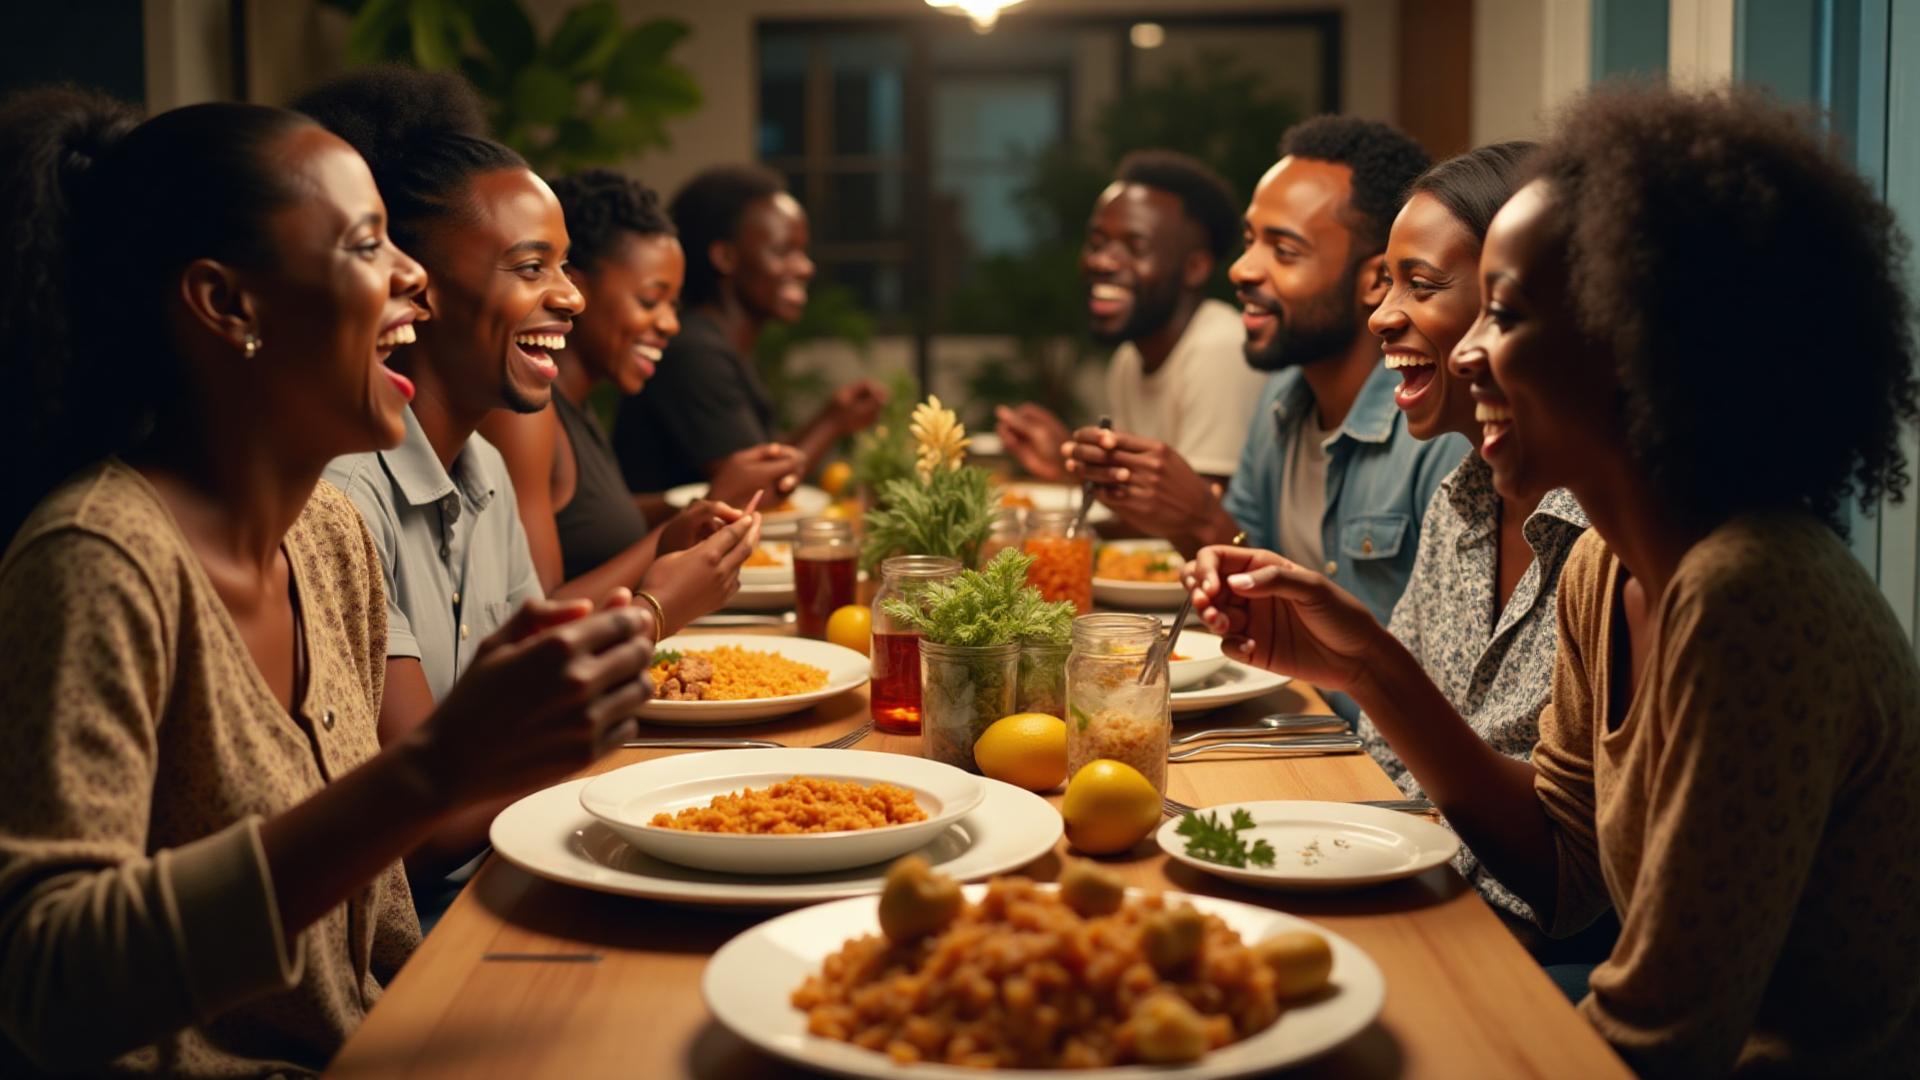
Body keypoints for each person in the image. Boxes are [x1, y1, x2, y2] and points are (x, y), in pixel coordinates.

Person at [1191, 86, 1920, 1074]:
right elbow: (1564, 868)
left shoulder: (1751, 592)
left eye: (1506, 312)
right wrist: (1368, 662)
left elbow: (1664, 1034)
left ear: (1640, 341)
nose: (1469, 351)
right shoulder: (1609, 571)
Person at [0, 88, 655, 1076]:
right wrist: (434, 769)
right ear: (227, 304)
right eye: (367, 247)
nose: (416, 283)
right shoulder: (99, 561)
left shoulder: (328, 536)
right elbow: (47, 986)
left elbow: (369, 936)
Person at [298, 69, 760, 883]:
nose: (571, 298)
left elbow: (524, 721)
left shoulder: (481, 468)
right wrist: (652, 609)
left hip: (512, 860)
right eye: (531, 267)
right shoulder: (343, 498)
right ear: (415, 285)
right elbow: (423, 833)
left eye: (567, 267)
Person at [1065, 117, 1469, 632]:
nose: (1241, 269)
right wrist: (1191, 522)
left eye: (1283, 251)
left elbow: (1443, 673)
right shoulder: (1282, 398)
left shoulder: (1437, 435)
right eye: (1250, 239)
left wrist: (1200, 520)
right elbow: (1248, 595)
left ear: (1374, 281)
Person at [475, 168, 776, 608]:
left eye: (673, 306)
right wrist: (663, 544)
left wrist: (697, 509)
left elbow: (587, 520)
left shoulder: (577, 402)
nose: (671, 324)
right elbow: (541, 614)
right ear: (575, 286)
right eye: (649, 301)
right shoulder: (525, 413)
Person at [994, 150, 1267, 485]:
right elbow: (1137, 506)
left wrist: (1074, 469)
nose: (1102, 262)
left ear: (1195, 269)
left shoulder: (1220, 349)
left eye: (1135, 248)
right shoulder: (1128, 360)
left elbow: (1197, 518)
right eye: (1097, 243)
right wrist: (1068, 461)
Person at [611, 164, 886, 495]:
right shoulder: (695, 353)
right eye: (785, 251)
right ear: (726, 257)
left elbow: (762, 455)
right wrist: (833, 424)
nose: (805, 267)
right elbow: (756, 490)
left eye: (803, 251)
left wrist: (832, 414)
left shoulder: (719, 344)